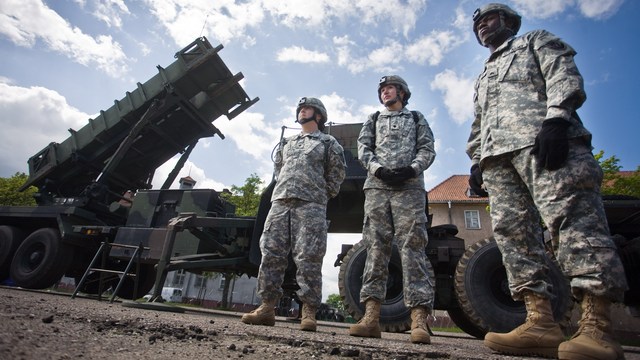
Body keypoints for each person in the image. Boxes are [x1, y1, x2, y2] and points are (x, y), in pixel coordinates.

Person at [467, 3, 628, 359]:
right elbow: (478, 122)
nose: (482, 26)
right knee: (513, 234)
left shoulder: (534, 41)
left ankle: (597, 327)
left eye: (489, 18)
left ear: (508, 21)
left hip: (543, 143)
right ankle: (540, 322)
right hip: (499, 160)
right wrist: (477, 160)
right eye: (477, 24)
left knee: (572, 220)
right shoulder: (482, 75)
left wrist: (556, 119)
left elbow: (562, 73)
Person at [241, 97, 346, 332]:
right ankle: (267, 307)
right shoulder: (287, 143)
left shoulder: (328, 143)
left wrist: (318, 195)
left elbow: (336, 176)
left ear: (318, 115)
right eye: (300, 109)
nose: (302, 111)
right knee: (271, 254)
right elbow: (279, 170)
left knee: (309, 257)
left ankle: (308, 311)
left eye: (307, 108)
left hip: (311, 205)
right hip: (280, 204)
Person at [349, 75, 436, 344]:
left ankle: (418, 320)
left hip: (409, 189)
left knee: (413, 248)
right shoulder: (373, 119)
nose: (385, 92)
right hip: (377, 188)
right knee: (375, 248)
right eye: (382, 90)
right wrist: (379, 170)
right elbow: (362, 149)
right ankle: (371, 317)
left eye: (390, 88)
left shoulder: (417, 118)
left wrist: (412, 169)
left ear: (402, 92)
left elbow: (427, 148)